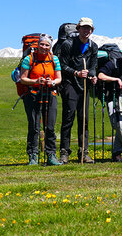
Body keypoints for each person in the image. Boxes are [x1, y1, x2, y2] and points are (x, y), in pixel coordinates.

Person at [58, 17, 98, 164]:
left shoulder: (93, 46)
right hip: (70, 84)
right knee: (68, 118)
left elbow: (93, 66)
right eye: (84, 28)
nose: (86, 31)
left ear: (92, 30)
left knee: (84, 119)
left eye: (89, 28)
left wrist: (92, 76)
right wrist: (76, 73)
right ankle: (64, 152)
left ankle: (83, 152)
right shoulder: (68, 45)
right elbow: (62, 66)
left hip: (84, 85)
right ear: (78, 29)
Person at [19, 34, 62, 165]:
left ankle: (51, 155)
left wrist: (52, 82)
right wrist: (35, 81)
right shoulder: (29, 59)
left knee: (50, 126)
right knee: (34, 126)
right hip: (33, 95)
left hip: (50, 94)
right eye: (42, 44)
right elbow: (23, 79)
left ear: (50, 46)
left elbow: (59, 78)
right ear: (37, 45)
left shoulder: (54, 59)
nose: (44, 47)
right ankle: (33, 155)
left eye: (47, 45)